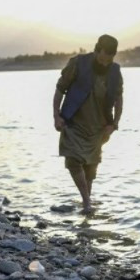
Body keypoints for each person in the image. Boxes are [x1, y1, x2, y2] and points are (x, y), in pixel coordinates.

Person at [52, 34, 123, 214]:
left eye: (109, 60)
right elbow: (60, 89)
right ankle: (86, 201)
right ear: (96, 51)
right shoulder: (78, 63)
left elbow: (118, 98)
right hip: (73, 123)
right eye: (102, 59)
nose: (105, 63)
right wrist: (56, 116)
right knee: (73, 161)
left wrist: (114, 123)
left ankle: (87, 204)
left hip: (98, 127)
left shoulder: (114, 71)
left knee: (90, 167)